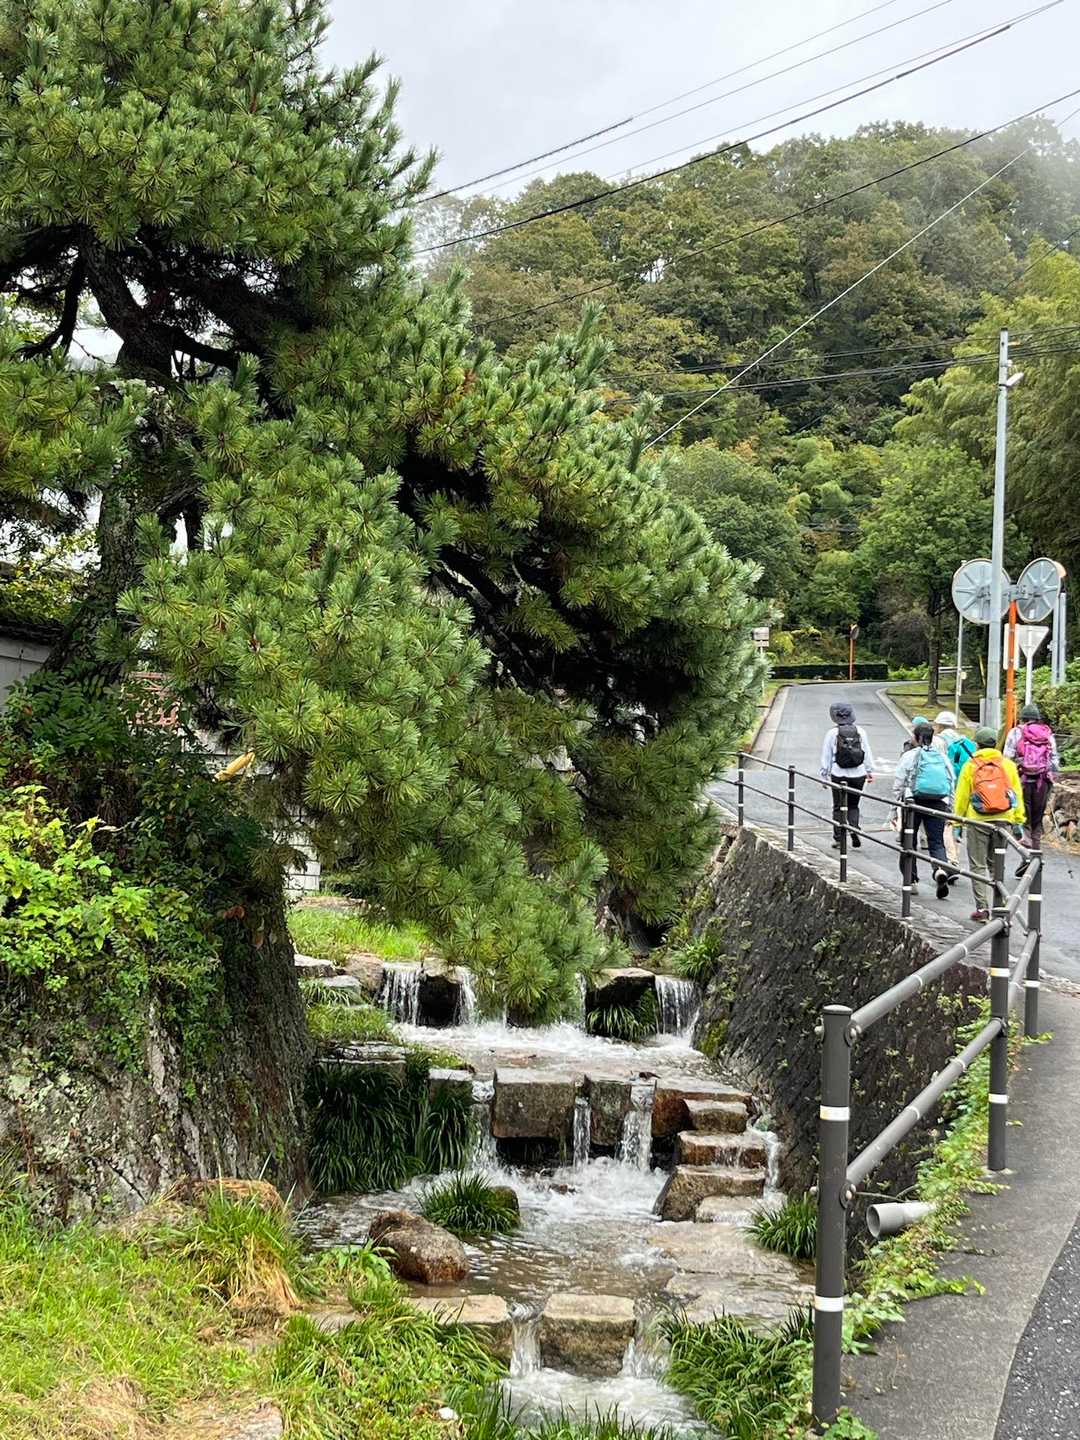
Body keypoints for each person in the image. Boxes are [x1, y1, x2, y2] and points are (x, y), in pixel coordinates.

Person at [953, 726, 1026, 923]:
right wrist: (1018, 820)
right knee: (997, 865)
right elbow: (1016, 794)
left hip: (978, 820)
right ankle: (1000, 907)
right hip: (1004, 819)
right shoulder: (1008, 765)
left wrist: (956, 822)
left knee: (978, 866)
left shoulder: (971, 765)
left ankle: (982, 909)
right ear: (995, 744)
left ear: (977, 745)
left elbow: (962, 796)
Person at [892, 722, 956, 899]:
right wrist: (950, 807)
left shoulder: (910, 756)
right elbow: (951, 780)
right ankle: (940, 869)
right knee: (936, 842)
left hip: (913, 802)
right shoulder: (941, 757)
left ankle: (910, 881)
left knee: (909, 841)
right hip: (938, 802)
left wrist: (895, 807)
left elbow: (899, 782)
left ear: (916, 738)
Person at [1003, 702, 1060, 851]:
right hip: (1042, 781)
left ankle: (1026, 853)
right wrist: (1051, 778)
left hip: (1022, 780)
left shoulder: (1015, 733)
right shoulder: (1047, 733)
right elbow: (1054, 760)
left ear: (1022, 718)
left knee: (1024, 817)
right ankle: (1036, 851)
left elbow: (1007, 759)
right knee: (1037, 819)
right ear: (1037, 718)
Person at [819, 701, 876, 849]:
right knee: (853, 805)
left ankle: (838, 839)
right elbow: (866, 752)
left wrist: (824, 776)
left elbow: (826, 756)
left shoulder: (832, 734)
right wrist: (869, 771)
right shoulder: (861, 731)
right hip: (858, 774)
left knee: (838, 806)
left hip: (838, 774)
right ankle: (854, 828)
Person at [934, 710, 976, 868]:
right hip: (966, 784)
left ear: (939, 725)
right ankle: (954, 851)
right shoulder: (965, 741)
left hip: (947, 785)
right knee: (957, 820)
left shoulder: (939, 741)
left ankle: (951, 859)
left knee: (947, 822)